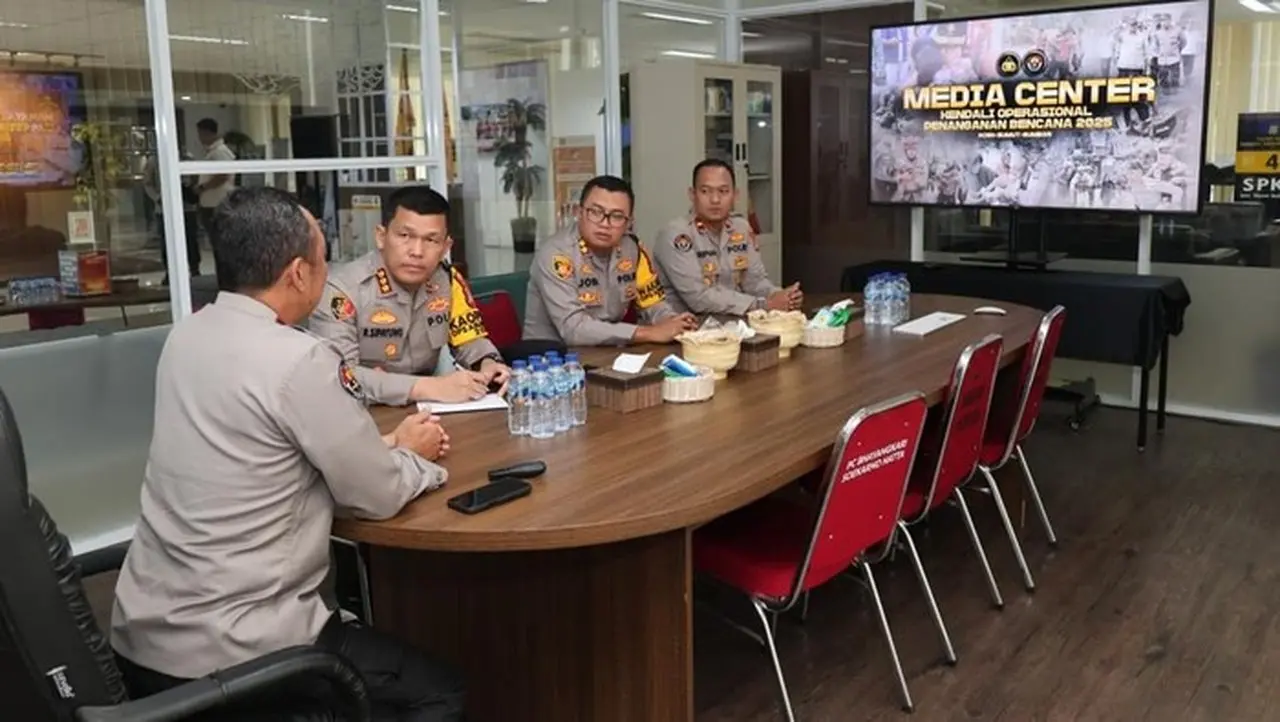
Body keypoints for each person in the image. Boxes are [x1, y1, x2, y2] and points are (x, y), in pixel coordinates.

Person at [110, 187, 465, 722]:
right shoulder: (300, 359)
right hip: (244, 651)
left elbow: (262, 453)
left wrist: (383, 443)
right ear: (299, 273)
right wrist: (416, 455)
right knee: (440, 691)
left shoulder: (186, 337)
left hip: (143, 641)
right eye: (323, 259)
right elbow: (377, 494)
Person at [309, 186, 509, 406]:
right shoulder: (341, 290)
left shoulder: (447, 281)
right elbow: (340, 379)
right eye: (405, 236)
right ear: (381, 237)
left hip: (428, 409)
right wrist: (427, 387)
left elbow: (469, 339)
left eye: (431, 240)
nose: (416, 251)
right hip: (364, 414)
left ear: (445, 247)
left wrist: (488, 363)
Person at [523, 175, 696, 346]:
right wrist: (648, 333)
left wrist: (672, 322)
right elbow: (574, 329)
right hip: (548, 360)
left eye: (617, 216)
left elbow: (651, 301)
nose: (605, 224)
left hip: (606, 351)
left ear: (629, 223)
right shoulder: (556, 254)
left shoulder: (632, 247)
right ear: (579, 212)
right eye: (596, 212)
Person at [651, 159, 802, 321]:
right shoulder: (676, 235)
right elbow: (698, 297)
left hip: (734, 325)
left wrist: (781, 295)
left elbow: (755, 281)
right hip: (686, 330)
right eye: (705, 191)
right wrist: (764, 304)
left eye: (723, 191)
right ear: (692, 194)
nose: (715, 199)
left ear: (735, 195)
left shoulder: (741, 228)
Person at [193, 118, 236, 274]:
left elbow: (223, 175)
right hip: (209, 204)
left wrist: (203, 187)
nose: (199, 138)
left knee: (221, 245)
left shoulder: (220, 152)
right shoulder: (212, 151)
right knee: (216, 245)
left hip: (217, 204)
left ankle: (226, 277)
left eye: (200, 134)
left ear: (207, 132)